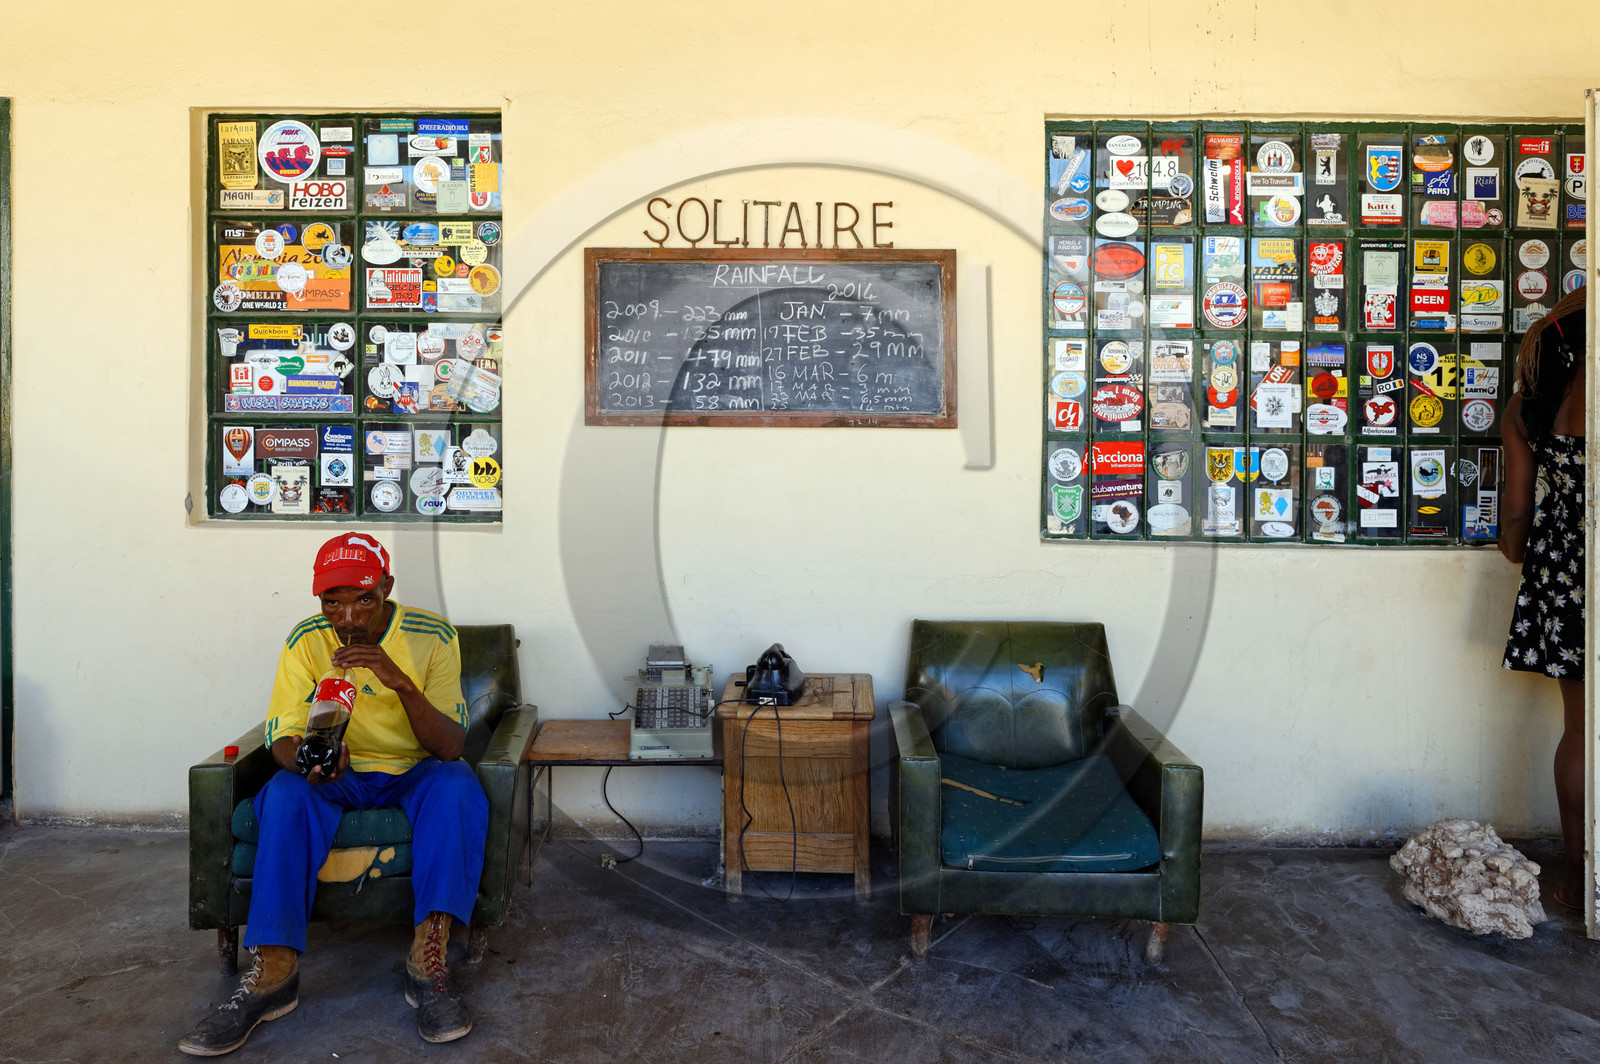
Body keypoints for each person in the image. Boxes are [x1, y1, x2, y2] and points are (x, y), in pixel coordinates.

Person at [181, 533, 489, 1055]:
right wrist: (309, 758)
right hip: (338, 775)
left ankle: (428, 961)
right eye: (333, 602)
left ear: (387, 588)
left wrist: (401, 683)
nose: (347, 617)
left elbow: (451, 746)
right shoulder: (305, 640)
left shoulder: (432, 636)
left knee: (458, 786)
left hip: (414, 771)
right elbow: (281, 734)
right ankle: (273, 972)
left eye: (363, 598)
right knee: (285, 794)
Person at [1500, 285, 1588, 910]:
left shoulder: (1525, 411)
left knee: (1581, 732)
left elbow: (1513, 539)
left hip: (1566, 575)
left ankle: (1580, 878)